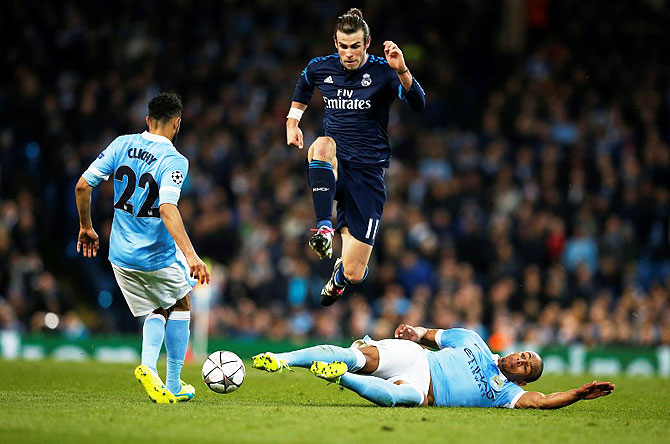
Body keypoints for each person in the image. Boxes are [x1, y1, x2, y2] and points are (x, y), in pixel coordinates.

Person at [74, 92, 210, 404]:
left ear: (147, 120)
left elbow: (82, 185)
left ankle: (151, 370)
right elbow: (167, 208)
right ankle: (170, 380)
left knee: (158, 307)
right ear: (177, 123)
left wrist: (86, 226)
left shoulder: (121, 144)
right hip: (155, 255)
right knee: (182, 303)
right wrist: (191, 254)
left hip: (120, 255)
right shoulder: (175, 161)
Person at [286, 8, 426, 306]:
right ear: (335, 43)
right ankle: (324, 227)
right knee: (321, 146)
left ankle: (338, 278)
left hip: (368, 173)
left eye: (355, 46)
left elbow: (419, 103)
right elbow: (304, 86)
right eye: (343, 46)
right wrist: (292, 122)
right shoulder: (320, 67)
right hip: (336, 163)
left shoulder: (384, 71)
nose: (348, 54)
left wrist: (402, 69)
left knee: (354, 271)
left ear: (367, 43)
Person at [252, 324, 614, 409]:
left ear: (522, 378)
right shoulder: (472, 339)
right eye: (524, 355)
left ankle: (340, 377)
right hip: (417, 358)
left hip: (422, 390)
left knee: (402, 398)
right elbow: (430, 334)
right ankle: (282, 360)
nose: (521, 361)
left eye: (526, 367)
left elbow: (542, 401)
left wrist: (578, 395)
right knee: (358, 355)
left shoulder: (507, 394)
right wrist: (413, 331)